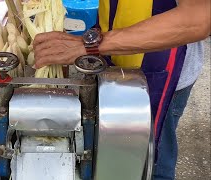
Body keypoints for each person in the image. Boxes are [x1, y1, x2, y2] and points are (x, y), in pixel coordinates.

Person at [33, 0, 210, 179]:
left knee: (147, 163)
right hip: (111, 55)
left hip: (161, 73)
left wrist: (90, 45)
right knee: (110, 156)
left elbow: (198, 19)